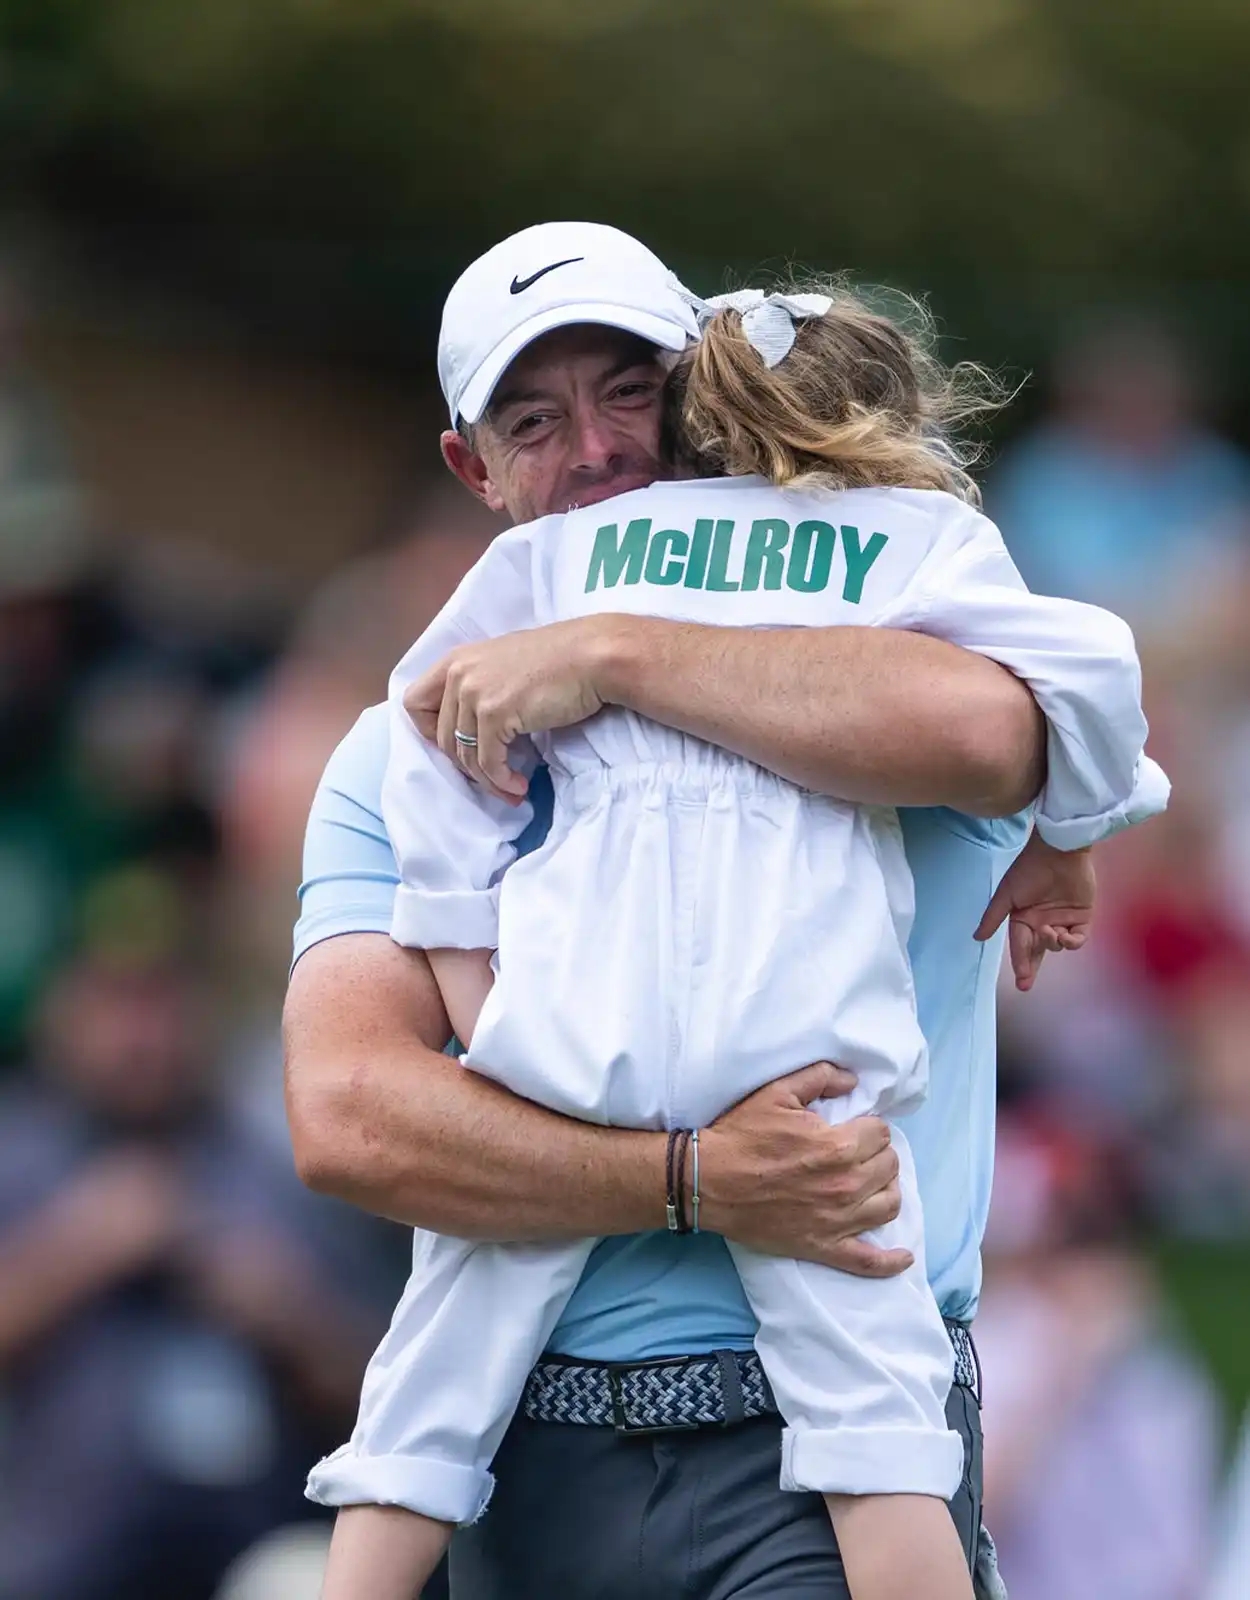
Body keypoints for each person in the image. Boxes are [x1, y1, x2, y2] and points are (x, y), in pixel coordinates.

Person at [283, 223, 1164, 1599]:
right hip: (534, 1444)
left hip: (811, 1452)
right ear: (474, 468)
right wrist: (688, 1178)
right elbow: (349, 1117)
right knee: (413, 1424)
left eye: (628, 391)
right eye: (535, 420)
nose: (595, 450)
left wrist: (613, 649)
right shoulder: (430, 709)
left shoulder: (906, 627)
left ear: (700, 392)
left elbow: (996, 734)